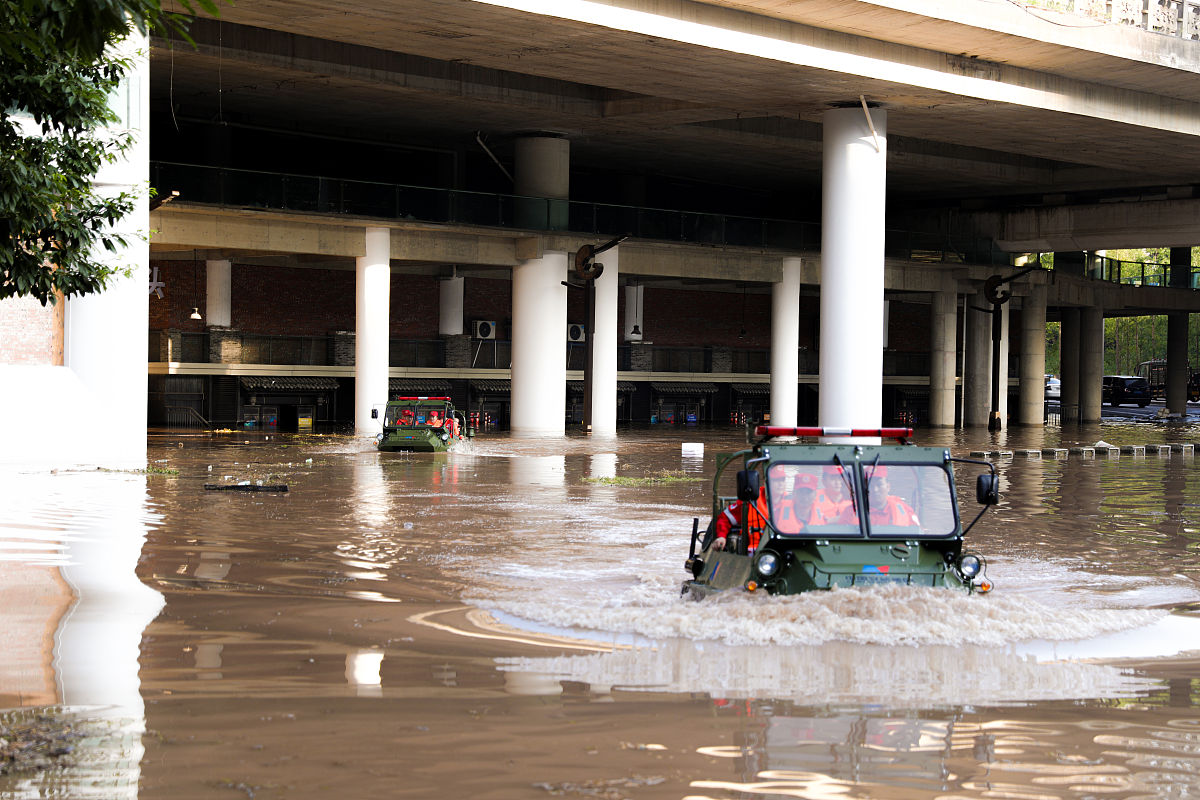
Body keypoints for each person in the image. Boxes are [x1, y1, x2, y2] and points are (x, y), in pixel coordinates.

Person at [712, 484, 769, 553]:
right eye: (775, 480)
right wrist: (721, 536)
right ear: (765, 482)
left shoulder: (785, 502)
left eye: (781, 480)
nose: (779, 484)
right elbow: (725, 518)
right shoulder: (750, 500)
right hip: (753, 552)